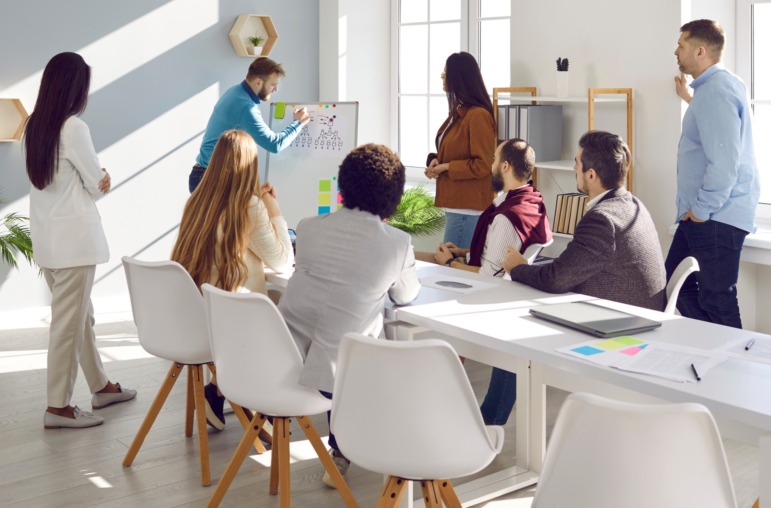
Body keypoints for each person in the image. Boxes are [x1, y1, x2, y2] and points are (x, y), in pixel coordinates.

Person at [483, 131, 666, 426]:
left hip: (618, 332)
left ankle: (490, 421)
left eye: (576, 163)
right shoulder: (631, 204)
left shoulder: (602, 219)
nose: (573, 169)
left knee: (514, 330)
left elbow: (558, 279)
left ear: (591, 174)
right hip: (634, 317)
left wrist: (517, 267)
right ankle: (493, 419)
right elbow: (573, 266)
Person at [279, 143, 420, 487]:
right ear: (392, 195)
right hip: (338, 380)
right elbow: (405, 294)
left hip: (283, 363)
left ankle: (341, 450)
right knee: (358, 329)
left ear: (344, 183)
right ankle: (352, 449)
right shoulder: (396, 243)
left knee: (337, 326)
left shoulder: (308, 227)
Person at [24, 52, 136, 430]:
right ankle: (57, 407)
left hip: (48, 240)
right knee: (69, 324)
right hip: (73, 242)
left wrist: (95, 178)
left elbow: (52, 182)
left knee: (80, 317)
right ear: (75, 88)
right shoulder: (73, 128)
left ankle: (102, 386)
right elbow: (95, 183)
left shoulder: (33, 126)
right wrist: (103, 177)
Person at [172, 129, 294, 432]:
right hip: (229, 323)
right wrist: (274, 210)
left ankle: (218, 393)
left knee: (261, 304)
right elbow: (282, 260)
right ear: (251, 165)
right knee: (281, 316)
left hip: (195, 317)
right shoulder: (248, 205)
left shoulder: (197, 200)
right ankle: (261, 408)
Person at [667, 19, 759, 328]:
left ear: (700, 51)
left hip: (714, 215)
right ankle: (712, 354)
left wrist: (701, 210)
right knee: (674, 285)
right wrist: (689, 100)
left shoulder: (716, 92)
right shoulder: (717, 88)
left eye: (681, 45)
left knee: (717, 299)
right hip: (706, 215)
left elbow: (724, 164)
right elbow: (716, 133)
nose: (676, 51)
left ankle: (733, 369)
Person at [417, 138, 551, 277]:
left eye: (494, 160)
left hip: (477, 283)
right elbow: (495, 252)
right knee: (410, 257)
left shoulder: (506, 218)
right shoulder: (532, 201)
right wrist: (462, 252)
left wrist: (449, 263)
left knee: (407, 261)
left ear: (505, 166)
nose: (491, 167)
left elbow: (489, 275)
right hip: (470, 266)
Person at [188, 56, 311, 193]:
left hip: (207, 176)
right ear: (258, 82)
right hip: (211, 180)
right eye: (273, 84)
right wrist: (298, 123)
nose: (275, 89)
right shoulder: (245, 107)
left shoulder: (235, 91)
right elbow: (274, 144)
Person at [424, 51, 496, 249]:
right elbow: (454, 149)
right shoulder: (459, 113)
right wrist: (436, 160)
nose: (442, 75)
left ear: (459, 76)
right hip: (458, 205)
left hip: (468, 209)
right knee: (451, 266)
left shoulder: (478, 116)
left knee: (454, 269)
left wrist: (446, 167)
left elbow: (483, 165)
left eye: (446, 71)